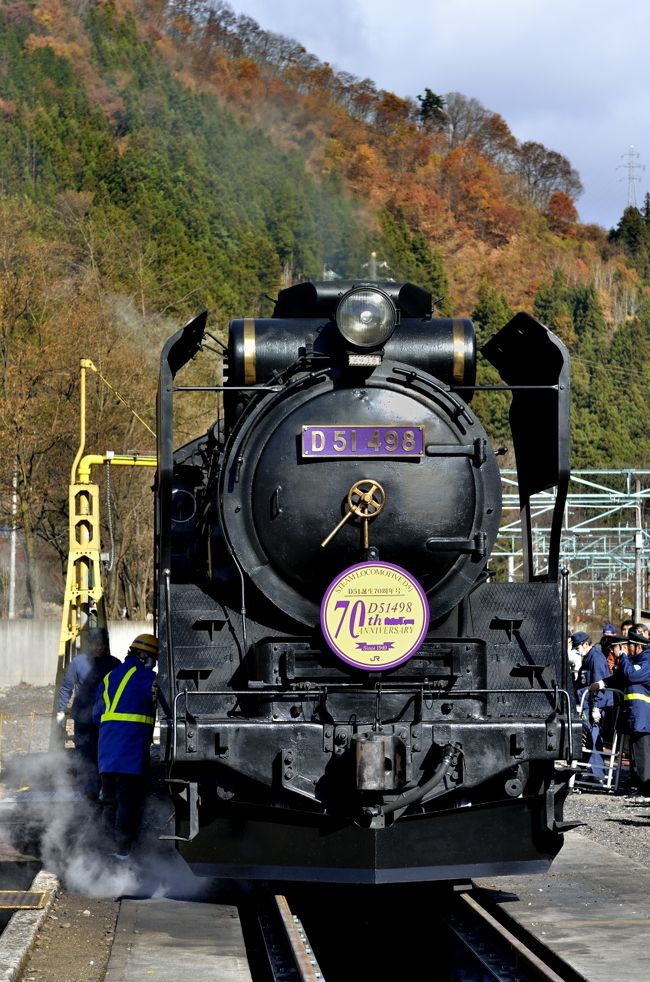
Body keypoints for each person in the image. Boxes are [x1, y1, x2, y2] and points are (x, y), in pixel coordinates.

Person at [93, 632, 159, 859]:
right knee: (128, 803)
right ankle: (122, 853)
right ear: (142, 655)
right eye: (152, 657)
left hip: (107, 752)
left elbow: (96, 716)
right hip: (130, 752)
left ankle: (105, 849)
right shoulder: (146, 678)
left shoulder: (110, 677)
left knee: (109, 802)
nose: (153, 662)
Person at [56, 627, 120, 798]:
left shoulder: (115, 664)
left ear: (107, 645)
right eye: (96, 643)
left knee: (105, 756)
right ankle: (88, 796)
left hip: (106, 720)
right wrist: (60, 710)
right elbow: (66, 687)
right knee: (84, 757)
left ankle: (106, 793)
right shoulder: (78, 663)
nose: (99, 647)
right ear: (90, 645)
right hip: (83, 719)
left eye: (103, 644)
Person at [589, 630, 650, 797]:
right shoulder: (634, 661)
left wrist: (623, 658)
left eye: (629, 646)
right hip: (634, 715)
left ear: (638, 647)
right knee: (636, 754)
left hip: (644, 715)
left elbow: (631, 675)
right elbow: (620, 678)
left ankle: (646, 791)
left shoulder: (647, 660)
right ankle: (638, 786)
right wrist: (600, 683)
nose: (626, 649)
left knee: (643, 755)